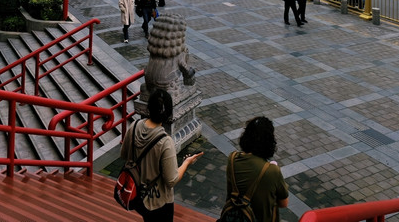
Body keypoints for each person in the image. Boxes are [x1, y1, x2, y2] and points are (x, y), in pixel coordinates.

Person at [120, 88, 203, 221]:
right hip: (159, 201)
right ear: (168, 113)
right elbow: (171, 180)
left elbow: (124, 155)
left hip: (138, 194)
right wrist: (186, 163)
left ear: (148, 108)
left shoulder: (134, 126)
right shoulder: (165, 142)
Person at [222, 116, 288, 222]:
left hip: (233, 218)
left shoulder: (233, 158)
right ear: (269, 141)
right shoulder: (272, 171)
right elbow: (283, 203)